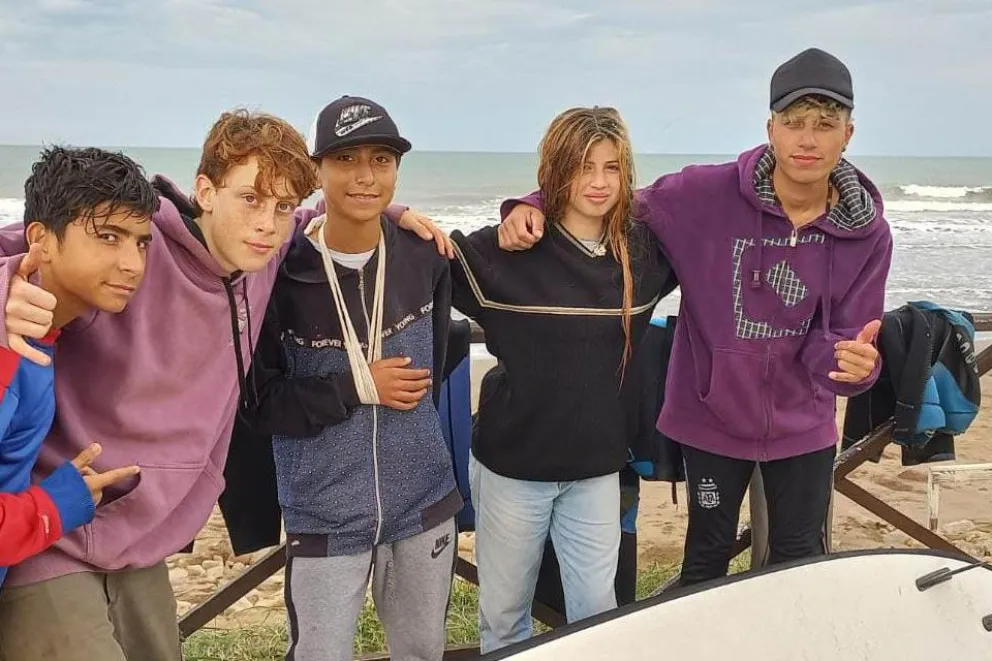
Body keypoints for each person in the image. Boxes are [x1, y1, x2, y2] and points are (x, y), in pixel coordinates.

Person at [0, 111, 450, 661]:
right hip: (54, 529)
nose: (266, 222)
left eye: (280, 208)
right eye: (250, 200)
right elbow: (38, 239)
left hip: (142, 543)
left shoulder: (263, 254)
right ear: (205, 191)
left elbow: (315, 214)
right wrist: (5, 290)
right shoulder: (137, 245)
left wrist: (386, 210)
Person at [498, 48, 892, 587]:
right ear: (770, 129)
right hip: (711, 419)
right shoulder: (705, 195)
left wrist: (855, 367)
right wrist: (530, 202)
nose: (808, 139)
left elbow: (847, 337)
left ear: (847, 133)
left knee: (801, 563)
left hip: (805, 426)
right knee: (705, 561)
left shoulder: (866, 233)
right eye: (794, 123)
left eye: (825, 125)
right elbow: (611, 199)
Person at [448, 106, 676, 652]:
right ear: (555, 171)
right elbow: (422, 261)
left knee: (597, 619)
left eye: (612, 168)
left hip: (596, 470)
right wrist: (400, 214)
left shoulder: (643, 255)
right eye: (582, 167)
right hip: (511, 468)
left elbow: (713, 229)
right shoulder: (508, 250)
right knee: (504, 617)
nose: (598, 183)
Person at [242, 96, 461, 661]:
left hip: (423, 503)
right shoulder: (279, 269)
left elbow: (437, 366)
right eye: (345, 160)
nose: (365, 176)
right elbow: (260, 403)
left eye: (382, 159)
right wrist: (355, 388)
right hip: (322, 513)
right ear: (317, 170)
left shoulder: (425, 257)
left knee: (423, 650)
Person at [0, 146, 149, 587]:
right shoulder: (9, 346)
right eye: (108, 236)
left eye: (141, 243)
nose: (133, 264)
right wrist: (57, 504)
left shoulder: (40, 336)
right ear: (40, 239)